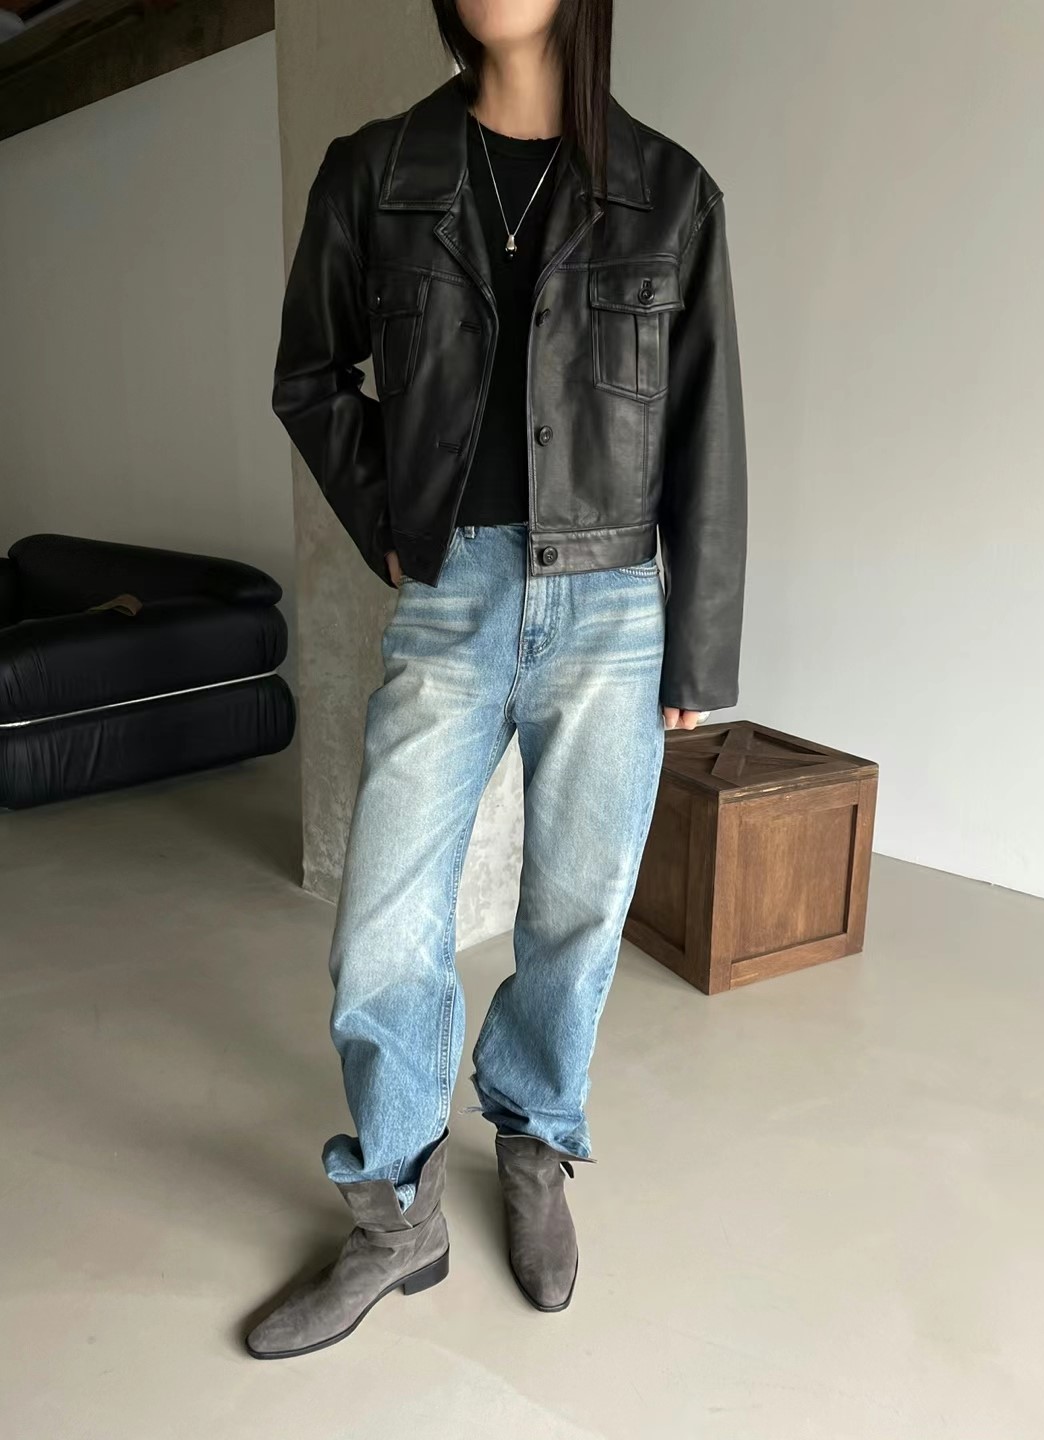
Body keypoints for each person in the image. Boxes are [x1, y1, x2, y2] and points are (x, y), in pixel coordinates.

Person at [245, 0, 746, 1359]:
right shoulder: (377, 170)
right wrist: (394, 523)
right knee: (382, 925)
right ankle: (397, 1215)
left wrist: (699, 649)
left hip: (613, 607)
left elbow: (706, 432)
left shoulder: (672, 194)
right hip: (452, 595)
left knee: (579, 912)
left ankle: (533, 1143)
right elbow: (308, 375)